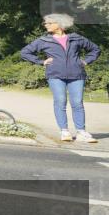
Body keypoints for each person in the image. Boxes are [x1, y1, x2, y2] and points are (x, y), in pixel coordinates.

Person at [21, 13, 101, 143]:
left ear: (59, 24)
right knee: (60, 101)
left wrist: (86, 61)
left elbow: (95, 50)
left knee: (77, 103)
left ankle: (81, 132)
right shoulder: (44, 40)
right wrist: (42, 61)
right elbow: (25, 52)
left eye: (48, 23)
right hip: (55, 75)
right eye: (45, 23)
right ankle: (64, 131)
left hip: (77, 75)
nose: (45, 25)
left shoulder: (76, 38)